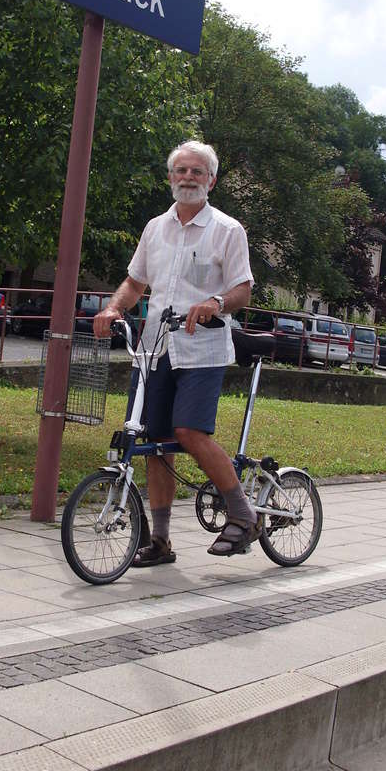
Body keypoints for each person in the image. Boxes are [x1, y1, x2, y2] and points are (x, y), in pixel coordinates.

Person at [93, 139, 257, 565]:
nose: (188, 178)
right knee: (154, 442)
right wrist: (113, 307)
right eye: (181, 171)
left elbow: (243, 288)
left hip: (201, 351)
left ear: (211, 181)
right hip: (153, 351)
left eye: (197, 172)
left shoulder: (227, 230)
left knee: (188, 431)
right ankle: (160, 542)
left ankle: (243, 514)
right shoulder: (155, 228)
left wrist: (215, 303)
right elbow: (135, 282)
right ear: (170, 178)